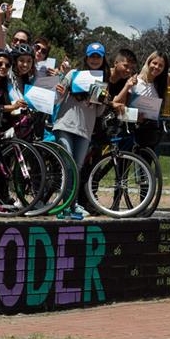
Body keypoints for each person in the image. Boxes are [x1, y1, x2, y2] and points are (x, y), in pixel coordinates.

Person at [53, 42, 110, 218]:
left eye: (98, 57)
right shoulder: (73, 74)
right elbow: (56, 99)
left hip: (85, 130)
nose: (94, 60)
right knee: (68, 164)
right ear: (86, 57)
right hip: (65, 125)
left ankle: (72, 205)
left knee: (76, 168)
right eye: (91, 56)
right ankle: (64, 206)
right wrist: (60, 90)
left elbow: (99, 112)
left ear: (102, 59)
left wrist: (104, 100)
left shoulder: (102, 82)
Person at [114, 51, 170, 149]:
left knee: (145, 162)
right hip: (129, 127)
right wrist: (134, 116)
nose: (157, 67)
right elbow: (119, 108)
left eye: (161, 65)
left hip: (149, 130)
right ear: (148, 62)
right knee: (122, 162)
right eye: (154, 63)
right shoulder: (134, 81)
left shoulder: (163, 82)